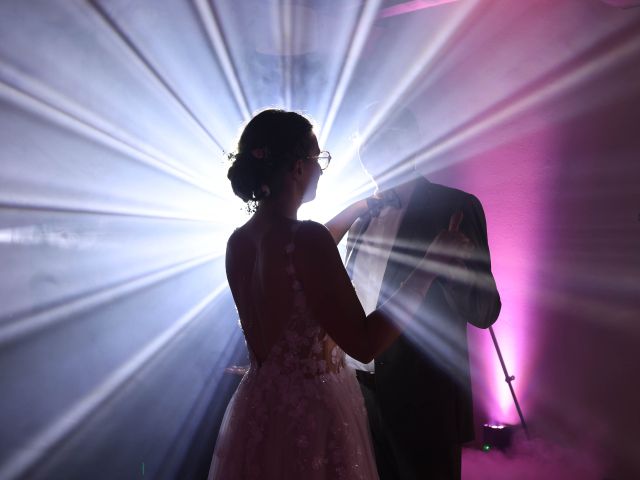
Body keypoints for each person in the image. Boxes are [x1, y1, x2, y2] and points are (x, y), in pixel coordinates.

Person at [208, 109, 468, 479]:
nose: (321, 169)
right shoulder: (307, 239)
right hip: (313, 414)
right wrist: (429, 265)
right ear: (297, 167)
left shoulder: (240, 241)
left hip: (260, 409)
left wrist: (357, 209)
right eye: (318, 158)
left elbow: (295, 263)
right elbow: (364, 343)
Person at [345, 107, 502, 480]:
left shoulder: (455, 206)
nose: (373, 151)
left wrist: (448, 266)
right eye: (366, 142)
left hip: (424, 395)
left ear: (411, 143)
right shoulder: (361, 217)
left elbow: (485, 311)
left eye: (386, 139)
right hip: (357, 394)